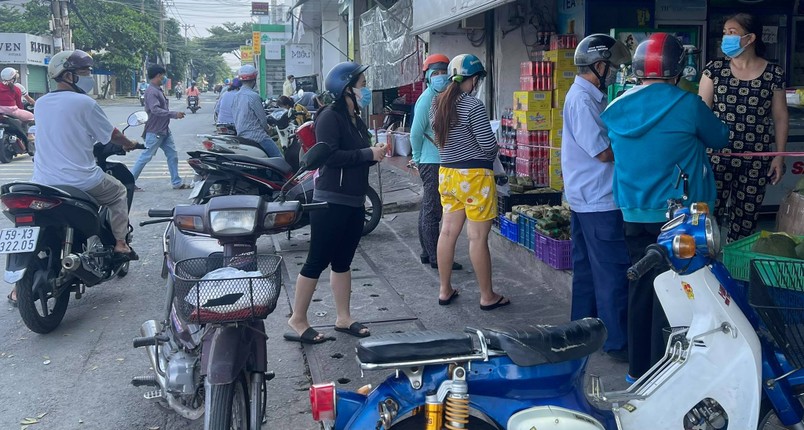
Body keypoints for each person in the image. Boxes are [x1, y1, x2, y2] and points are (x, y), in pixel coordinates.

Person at [601, 33, 729, 381]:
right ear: (678, 70)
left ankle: (638, 371)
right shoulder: (687, 105)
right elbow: (720, 136)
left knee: (641, 289)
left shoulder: (614, 108)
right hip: (679, 220)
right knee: (679, 294)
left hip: (632, 213)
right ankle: (669, 376)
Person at [15, 50, 139, 306]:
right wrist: (128, 143)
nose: (89, 77)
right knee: (118, 193)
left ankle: (18, 288)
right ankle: (119, 244)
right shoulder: (85, 103)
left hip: (43, 182)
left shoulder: (41, 103)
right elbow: (112, 134)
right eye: (84, 72)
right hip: (82, 180)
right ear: (68, 75)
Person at [284, 62, 386, 344]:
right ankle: (297, 319)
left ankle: (344, 317)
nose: (365, 90)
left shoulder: (356, 119)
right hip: (331, 200)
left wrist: (373, 152)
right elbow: (329, 156)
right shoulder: (329, 116)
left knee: (343, 261)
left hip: (354, 199)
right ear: (347, 89)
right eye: (362, 85)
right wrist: (368, 154)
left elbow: (359, 152)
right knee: (317, 259)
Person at [561, 34, 631, 360]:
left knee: (588, 271)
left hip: (586, 197)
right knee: (611, 272)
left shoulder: (591, 97)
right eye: (612, 67)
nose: (615, 72)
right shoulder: (582, 100)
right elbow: (603, 152)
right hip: (598, 199)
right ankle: (617, 342)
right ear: (599, 65)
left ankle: (581, 332)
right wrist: (638, 151)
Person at [698, 13, 789, 242]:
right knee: (709, 219)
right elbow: (700, 113)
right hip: (715, 157)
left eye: (732, 32)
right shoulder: (714, 70)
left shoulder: (773, 74)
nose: (726, 37)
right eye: (725, 32)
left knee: (745, 221)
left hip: (756, 159)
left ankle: (736, 271)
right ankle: (707, 270)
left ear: (750, 38)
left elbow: (780, 117)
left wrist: (778, 156)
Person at [430, 53, 507, 310]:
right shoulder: (473, 106)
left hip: (447, 175)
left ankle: (444, 290)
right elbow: (487, 146)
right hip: (474, 177)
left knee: (448, 232)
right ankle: (487, 295)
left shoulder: (437, 104)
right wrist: (493, 147)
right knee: (476, 238)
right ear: (473, 80)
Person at [410, 53, 463, 271]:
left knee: (428, 207)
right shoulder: (427, 100)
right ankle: (436, 257)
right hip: (431, 162)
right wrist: (417, 158)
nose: (441, 77)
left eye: (444, 73)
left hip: (436, 160)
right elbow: (415, 132)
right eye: (436, 73)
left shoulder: (441, 96)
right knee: (433, 210)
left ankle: (427, 252)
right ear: (428, 77)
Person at [131, 64, 188, 191]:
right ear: (158, 75)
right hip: (155, 130)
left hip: (164, 130)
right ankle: (128, 182)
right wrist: (174, 114)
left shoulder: (157, 90)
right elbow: (155, 110)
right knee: (145, 157)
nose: (164, 78)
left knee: (172, 155)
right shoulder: (151, 91)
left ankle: (176, 182)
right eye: (163, 75)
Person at [231, 65, 282, 158]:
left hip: (241, 136)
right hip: (257, 137)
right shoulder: (253, 96)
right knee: (279, 158)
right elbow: (262, 120)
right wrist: (268, 130)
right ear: (254, 80)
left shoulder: (236, 96)